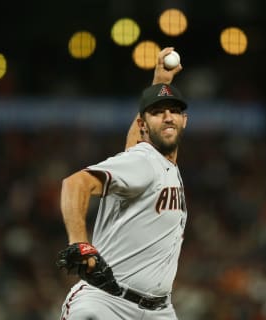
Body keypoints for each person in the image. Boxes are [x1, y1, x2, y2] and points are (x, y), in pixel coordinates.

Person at [57, 47, 188, 320]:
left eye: (173, 111)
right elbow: (75, 184)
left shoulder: (161, 164)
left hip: (159, 311)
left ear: (184, 120)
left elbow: (135, 141)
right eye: (157, 112)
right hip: (107, 304)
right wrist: (80, 244)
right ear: (143, 124)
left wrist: (160, 83)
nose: (167, 117)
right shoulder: (144, 161)